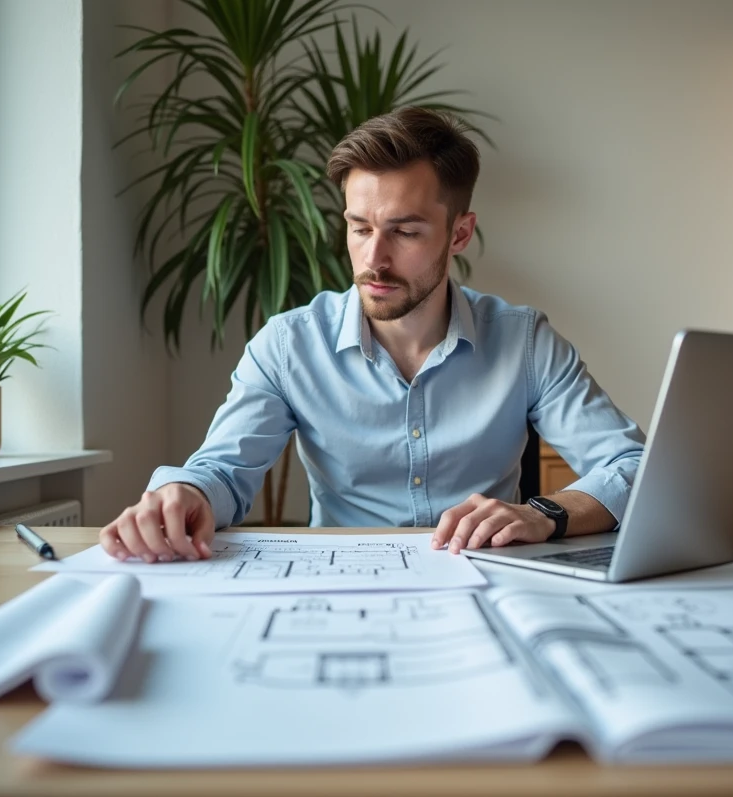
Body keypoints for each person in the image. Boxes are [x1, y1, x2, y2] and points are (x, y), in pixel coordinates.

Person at [99, 107, 645, 563]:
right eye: (359, 228)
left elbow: (635, 467)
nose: (373, 259)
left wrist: (542, 512)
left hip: (485, 580)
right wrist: (184, 492)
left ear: (459, 233)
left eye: (405, 232)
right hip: (338, 583)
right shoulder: (289, 345)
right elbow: (221, 469)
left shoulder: (524, 342)